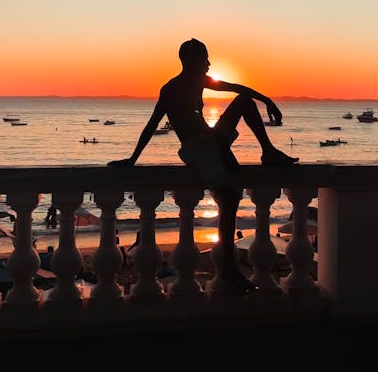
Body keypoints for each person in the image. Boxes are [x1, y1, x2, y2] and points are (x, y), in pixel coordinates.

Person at [108, 38, 298, 293]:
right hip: (198, 150)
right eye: (205, 58)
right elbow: (152, 124)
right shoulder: (171, 89)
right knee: (229, 196)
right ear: (192, 60)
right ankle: (229, 268)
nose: (209, 64)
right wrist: (132, 159)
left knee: (244, 101)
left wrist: (266, 100)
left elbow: (235, 87)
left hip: (211, 139)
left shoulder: (200, 81)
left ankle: (268, 152)